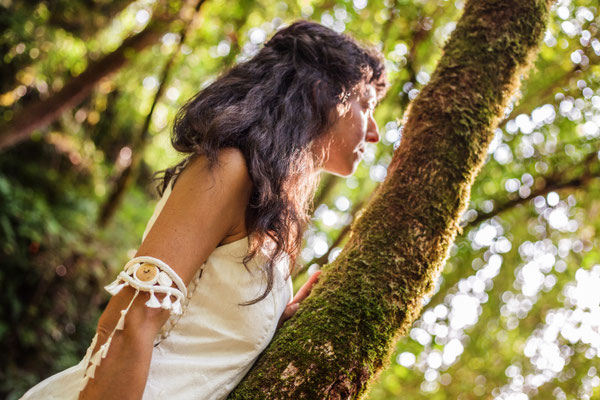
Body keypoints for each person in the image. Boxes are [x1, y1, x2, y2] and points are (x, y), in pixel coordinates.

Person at [20, 19, 388, 400]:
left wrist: (279, 322)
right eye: (367, 105)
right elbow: (132, 318)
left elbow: (200, 344)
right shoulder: (229, 167)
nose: (375, 132)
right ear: (324, 94)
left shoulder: (268, 217)